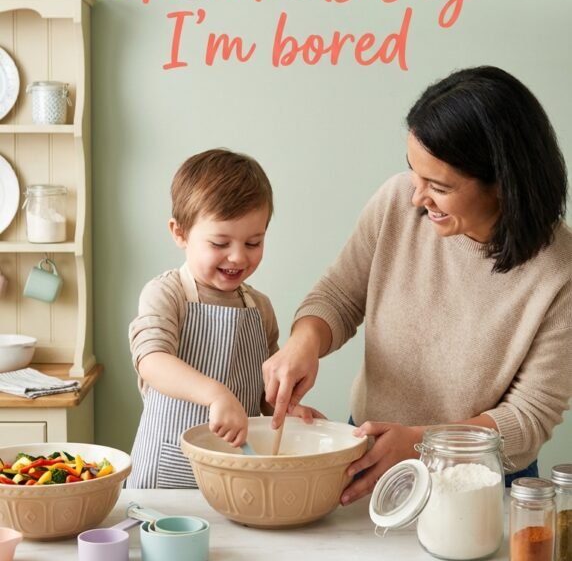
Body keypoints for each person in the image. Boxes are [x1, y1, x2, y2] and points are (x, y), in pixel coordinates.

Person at [263, 66, 572, 504]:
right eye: (414, 172)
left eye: (438, 186)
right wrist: (303, 343)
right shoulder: (396, 203)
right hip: (372, 454)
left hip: (480, 480)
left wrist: (420, 442)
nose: (416, 198)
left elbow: (528, 419)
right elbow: (339, 295)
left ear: (503, 185)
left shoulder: (561, 271)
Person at [128, 148, 284, 488]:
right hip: (166, 475)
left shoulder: (259, 308)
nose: (238, 256)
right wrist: (217, 395)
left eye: (253, 242)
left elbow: (264, 391)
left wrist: (287, 409)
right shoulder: (167, 294)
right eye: (220, 242)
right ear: (180, 233)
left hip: (233, 471)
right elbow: (152, 362)